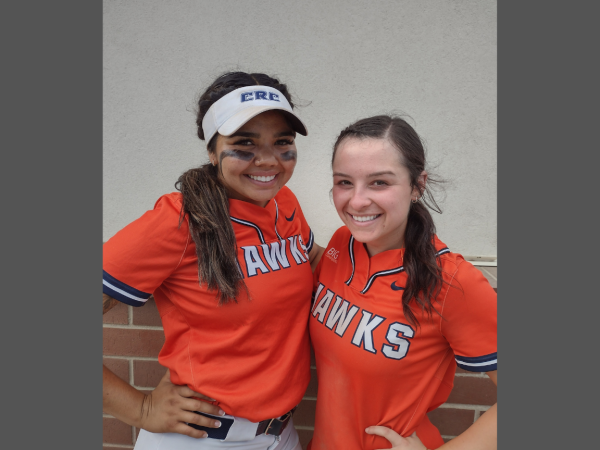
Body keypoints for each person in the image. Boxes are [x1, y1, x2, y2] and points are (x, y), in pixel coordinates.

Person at [103, 71, 323, 450]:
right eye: (244, 144)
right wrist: (140, 409)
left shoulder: (284, 205)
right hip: (204, 438)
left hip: (281, 434)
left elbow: (313, 262)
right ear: (211, 150)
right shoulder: (178, 221)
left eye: (282, 142)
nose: (269, 160)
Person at [308, 115, 497, 450]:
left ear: (417, 185)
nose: (357, 201)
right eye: (344, 182)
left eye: (380, 182)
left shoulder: (452, 281)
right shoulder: (341, 244)